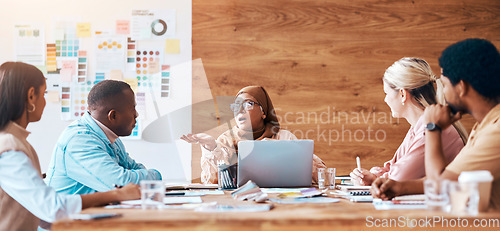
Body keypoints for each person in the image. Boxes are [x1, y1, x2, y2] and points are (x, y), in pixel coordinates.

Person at [0, 62, 140, 231]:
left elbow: (39, 213)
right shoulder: (9, 147)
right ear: (31, 96)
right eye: (43, 93)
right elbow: (52, 207)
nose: (45, 102)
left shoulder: (17, 142)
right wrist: (116, 194)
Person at [371, 38, 500, 210]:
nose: (443, 94)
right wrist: (400, 188)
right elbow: (449, 177)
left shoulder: (496, 132)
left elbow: (440, 187)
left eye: (445, 85)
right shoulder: (485, 127)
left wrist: (432, 128)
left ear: (461, 88)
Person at [350, 57, 467, 186]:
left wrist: (375, 179)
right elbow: (395, 166)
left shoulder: (429, 127)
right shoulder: (419, 126)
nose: (385, 100)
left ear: (402, 94)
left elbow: (398, 177)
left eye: (386, 93)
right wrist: (374, 176)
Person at [181, 86, 326, 184]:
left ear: (263, 112)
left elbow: (321, 177)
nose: (240, 111)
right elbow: (211, 182)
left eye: (248, 104)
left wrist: (284, 152)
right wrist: (211, 147)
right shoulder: (225, 141)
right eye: (236, 106)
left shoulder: (284, 138)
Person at [45, 80, 161, 195]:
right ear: (113, 116)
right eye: (132, 109)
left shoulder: (110, 137)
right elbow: (121, 184)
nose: (136, 115)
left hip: (97, 211)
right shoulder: (80, 140)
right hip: (71, 213)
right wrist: (156, 175)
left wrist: (134, 176)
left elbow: (133, 169)